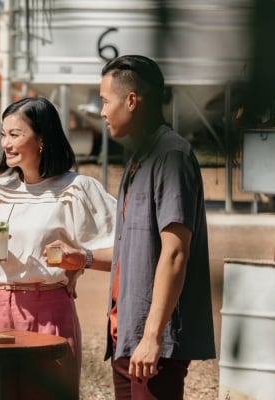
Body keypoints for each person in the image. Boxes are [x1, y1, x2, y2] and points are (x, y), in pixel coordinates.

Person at [0, 96, 116, 400]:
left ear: (42, 139)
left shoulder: (76, 189)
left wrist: (82, 259)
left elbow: (127, 250)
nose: (6, 143)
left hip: (51, 310)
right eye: (3, 134)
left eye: (15, 134)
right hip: (0, 311)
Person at [99, 55, 215, 399]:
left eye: (105, 101)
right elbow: (133, 251)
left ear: (132, 101)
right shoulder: (139, 158)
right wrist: (84, 259)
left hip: (153, 348)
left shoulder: (171, 156)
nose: (102, 112)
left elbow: (176, 253)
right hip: (125, 338)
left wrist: (152, 336)